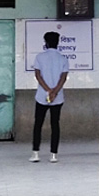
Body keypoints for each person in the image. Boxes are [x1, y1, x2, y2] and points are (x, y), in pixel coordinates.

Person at [31, 31, 69, 163]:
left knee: (38, 124)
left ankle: (35, 153)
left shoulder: (40, 57)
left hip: (42, 96)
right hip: (57, 97)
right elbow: (63, 78)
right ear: (57, 43)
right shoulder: (63, 59)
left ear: (46, 43)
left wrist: (48, 90)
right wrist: (55, 92)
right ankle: (53, 155)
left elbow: (38, 75)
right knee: (55, 125)